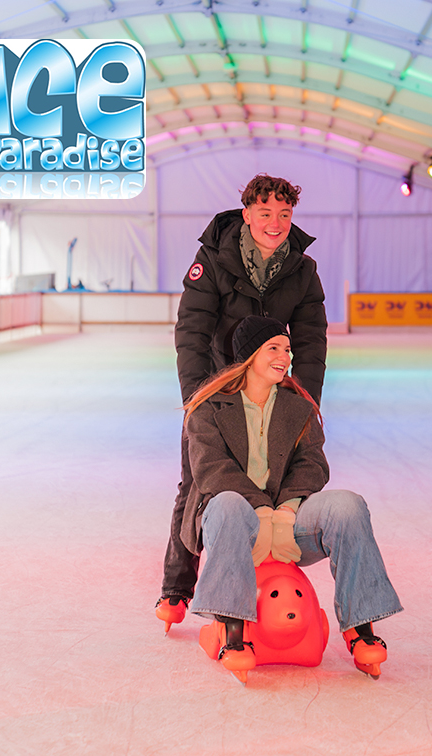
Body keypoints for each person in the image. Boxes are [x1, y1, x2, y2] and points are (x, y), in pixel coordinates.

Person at [184, 316, 401, 677]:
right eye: (273, 348)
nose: (285, 356)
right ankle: (232, 631)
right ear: (250, 356)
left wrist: (285, 511)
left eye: (287, 349)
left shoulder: (297, 406)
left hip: (289, 522)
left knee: (348, 506)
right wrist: (260, 510)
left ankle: (360, 628)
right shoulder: (208, 408)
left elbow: (313, 465)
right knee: (227, 503)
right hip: (236, 524)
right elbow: (210, 470)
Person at [156, 174, 329, 628]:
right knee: (197, 481)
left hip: (271, 386)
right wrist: (197, 399)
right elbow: (191, 330)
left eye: (285, 215)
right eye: (266, 213)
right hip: (217, 388)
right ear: (247, 213)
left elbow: (312, 339)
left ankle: (270, 571)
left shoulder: (302, 270)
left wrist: (305, 398)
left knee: (275, 475)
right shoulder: (214, 259)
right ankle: (177, 587)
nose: (276, 223)